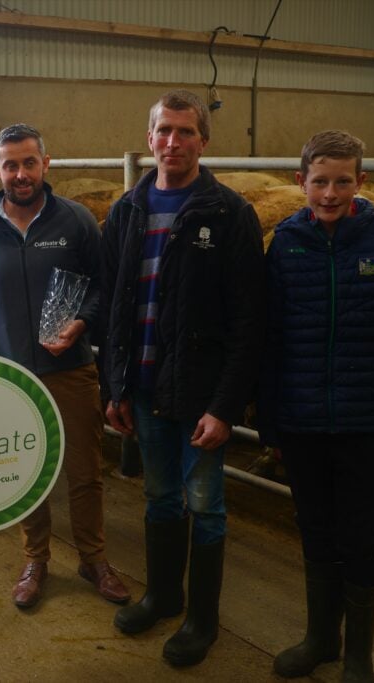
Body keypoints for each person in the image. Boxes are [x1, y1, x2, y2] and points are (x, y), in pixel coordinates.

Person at [257, 130, 374, 682]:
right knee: (315, 529)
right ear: (300, 183)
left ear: (360, 182)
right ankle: (319, 640)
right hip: (304, 421)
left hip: (369, 424)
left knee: (360, 537)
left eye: (341, 182)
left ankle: (359, 653)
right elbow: (271, 337)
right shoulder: (285, 245)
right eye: (319, 181)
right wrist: (270, 420)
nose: (329, 193)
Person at [99, 89, 266, 667]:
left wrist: (226, 405)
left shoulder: (229, 214)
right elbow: (117, 306)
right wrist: (114, 387)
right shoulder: (127, 212)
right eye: (163, 131)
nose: (173, 142)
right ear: (149, 140)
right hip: (144, 388)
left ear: (203, 140)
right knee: (159, 497)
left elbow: (249, 320)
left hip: (200, 394)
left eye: (185, 132)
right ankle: (163, 595)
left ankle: (202, 618)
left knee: (206, 504)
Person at [0, 123, 129, 609]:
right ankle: (35, 559)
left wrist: (82, 324)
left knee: (84, 470)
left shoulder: (77, 221)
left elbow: (106, 287)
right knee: (23, 470)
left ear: (46, 165)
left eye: (29, 163)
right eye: (10, 165)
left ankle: (94, 558)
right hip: (10, 376)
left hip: (72, 369)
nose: (21, 174)